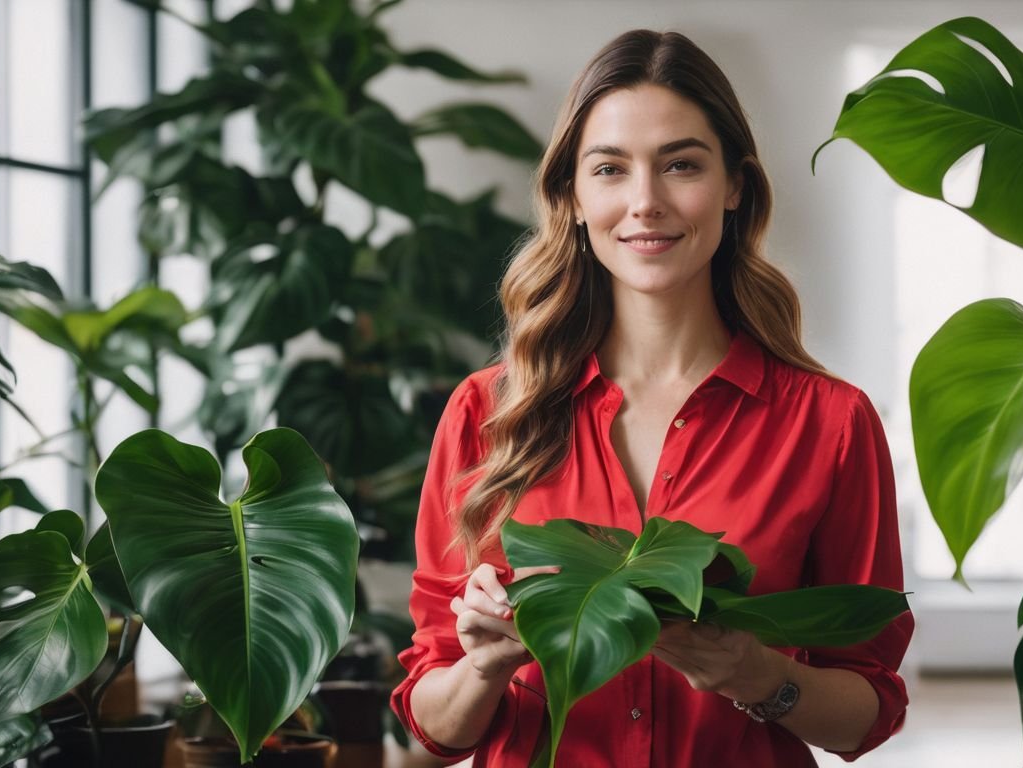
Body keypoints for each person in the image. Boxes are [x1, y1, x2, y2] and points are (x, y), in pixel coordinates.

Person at [390, 28, 913, 767]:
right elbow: (433, 728)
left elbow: (867, 713)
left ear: (734, 185)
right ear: (571, 196)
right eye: (610, 169)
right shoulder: (486, 414)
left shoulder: (830, 422)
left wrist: (761, 678)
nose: (645, 201)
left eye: (681, 165)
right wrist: (483, 664)